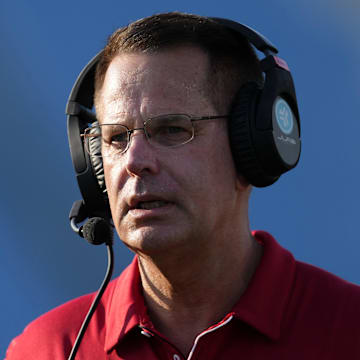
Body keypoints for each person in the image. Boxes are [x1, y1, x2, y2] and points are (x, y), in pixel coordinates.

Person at [6, 12, 360, 360]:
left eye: (173, 129)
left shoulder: (349, 330)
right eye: (115, 138)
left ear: (251, 144)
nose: (134, 160)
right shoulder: (48, 349)